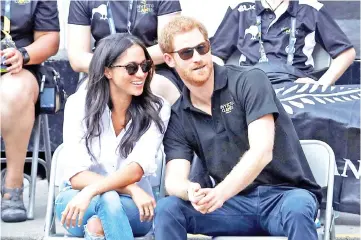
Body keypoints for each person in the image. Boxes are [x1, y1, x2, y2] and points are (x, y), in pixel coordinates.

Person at [155, 16, 322, 240]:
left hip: (283, 197)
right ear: (169, 59)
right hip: (233, 207)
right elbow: (174, 179)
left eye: (202, 48)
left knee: (298, 208)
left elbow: (261, 152)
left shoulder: (249, 81)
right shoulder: (178, 114)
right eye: (186, 52)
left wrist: (220, 193)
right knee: (168, 209)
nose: (197, 58)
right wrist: (190, 191)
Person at [55, 33, 170, 240]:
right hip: (76, 200)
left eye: (145, 66)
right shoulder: (79, 104)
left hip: (135, 207)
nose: (141, 74)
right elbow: (76, 175)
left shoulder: (158, 107)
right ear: (107, 70)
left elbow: (136, 168)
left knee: (102, 215)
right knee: (107, 200)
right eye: (131, 68)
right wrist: (129, 188)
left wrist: (93, 191)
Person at [0, 1, 60, 222]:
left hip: (17, 69)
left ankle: (13, 185)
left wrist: (23, 55)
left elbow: (49, 39)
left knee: (14, 91)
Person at [210, 0, 356, 86]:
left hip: (295, 83)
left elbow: (347, 53)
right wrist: (227, 85)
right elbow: (215, 56)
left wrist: (320, 85)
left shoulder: (310, 8)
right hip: (250, 84)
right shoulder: (241, 8)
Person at [67, 0, 183, 105]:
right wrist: (115, 67)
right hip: (104, 70)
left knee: (157, 88)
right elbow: (77, 58)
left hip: (151, 68)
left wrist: (128, 63)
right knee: (82, 98)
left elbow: (168, 46)